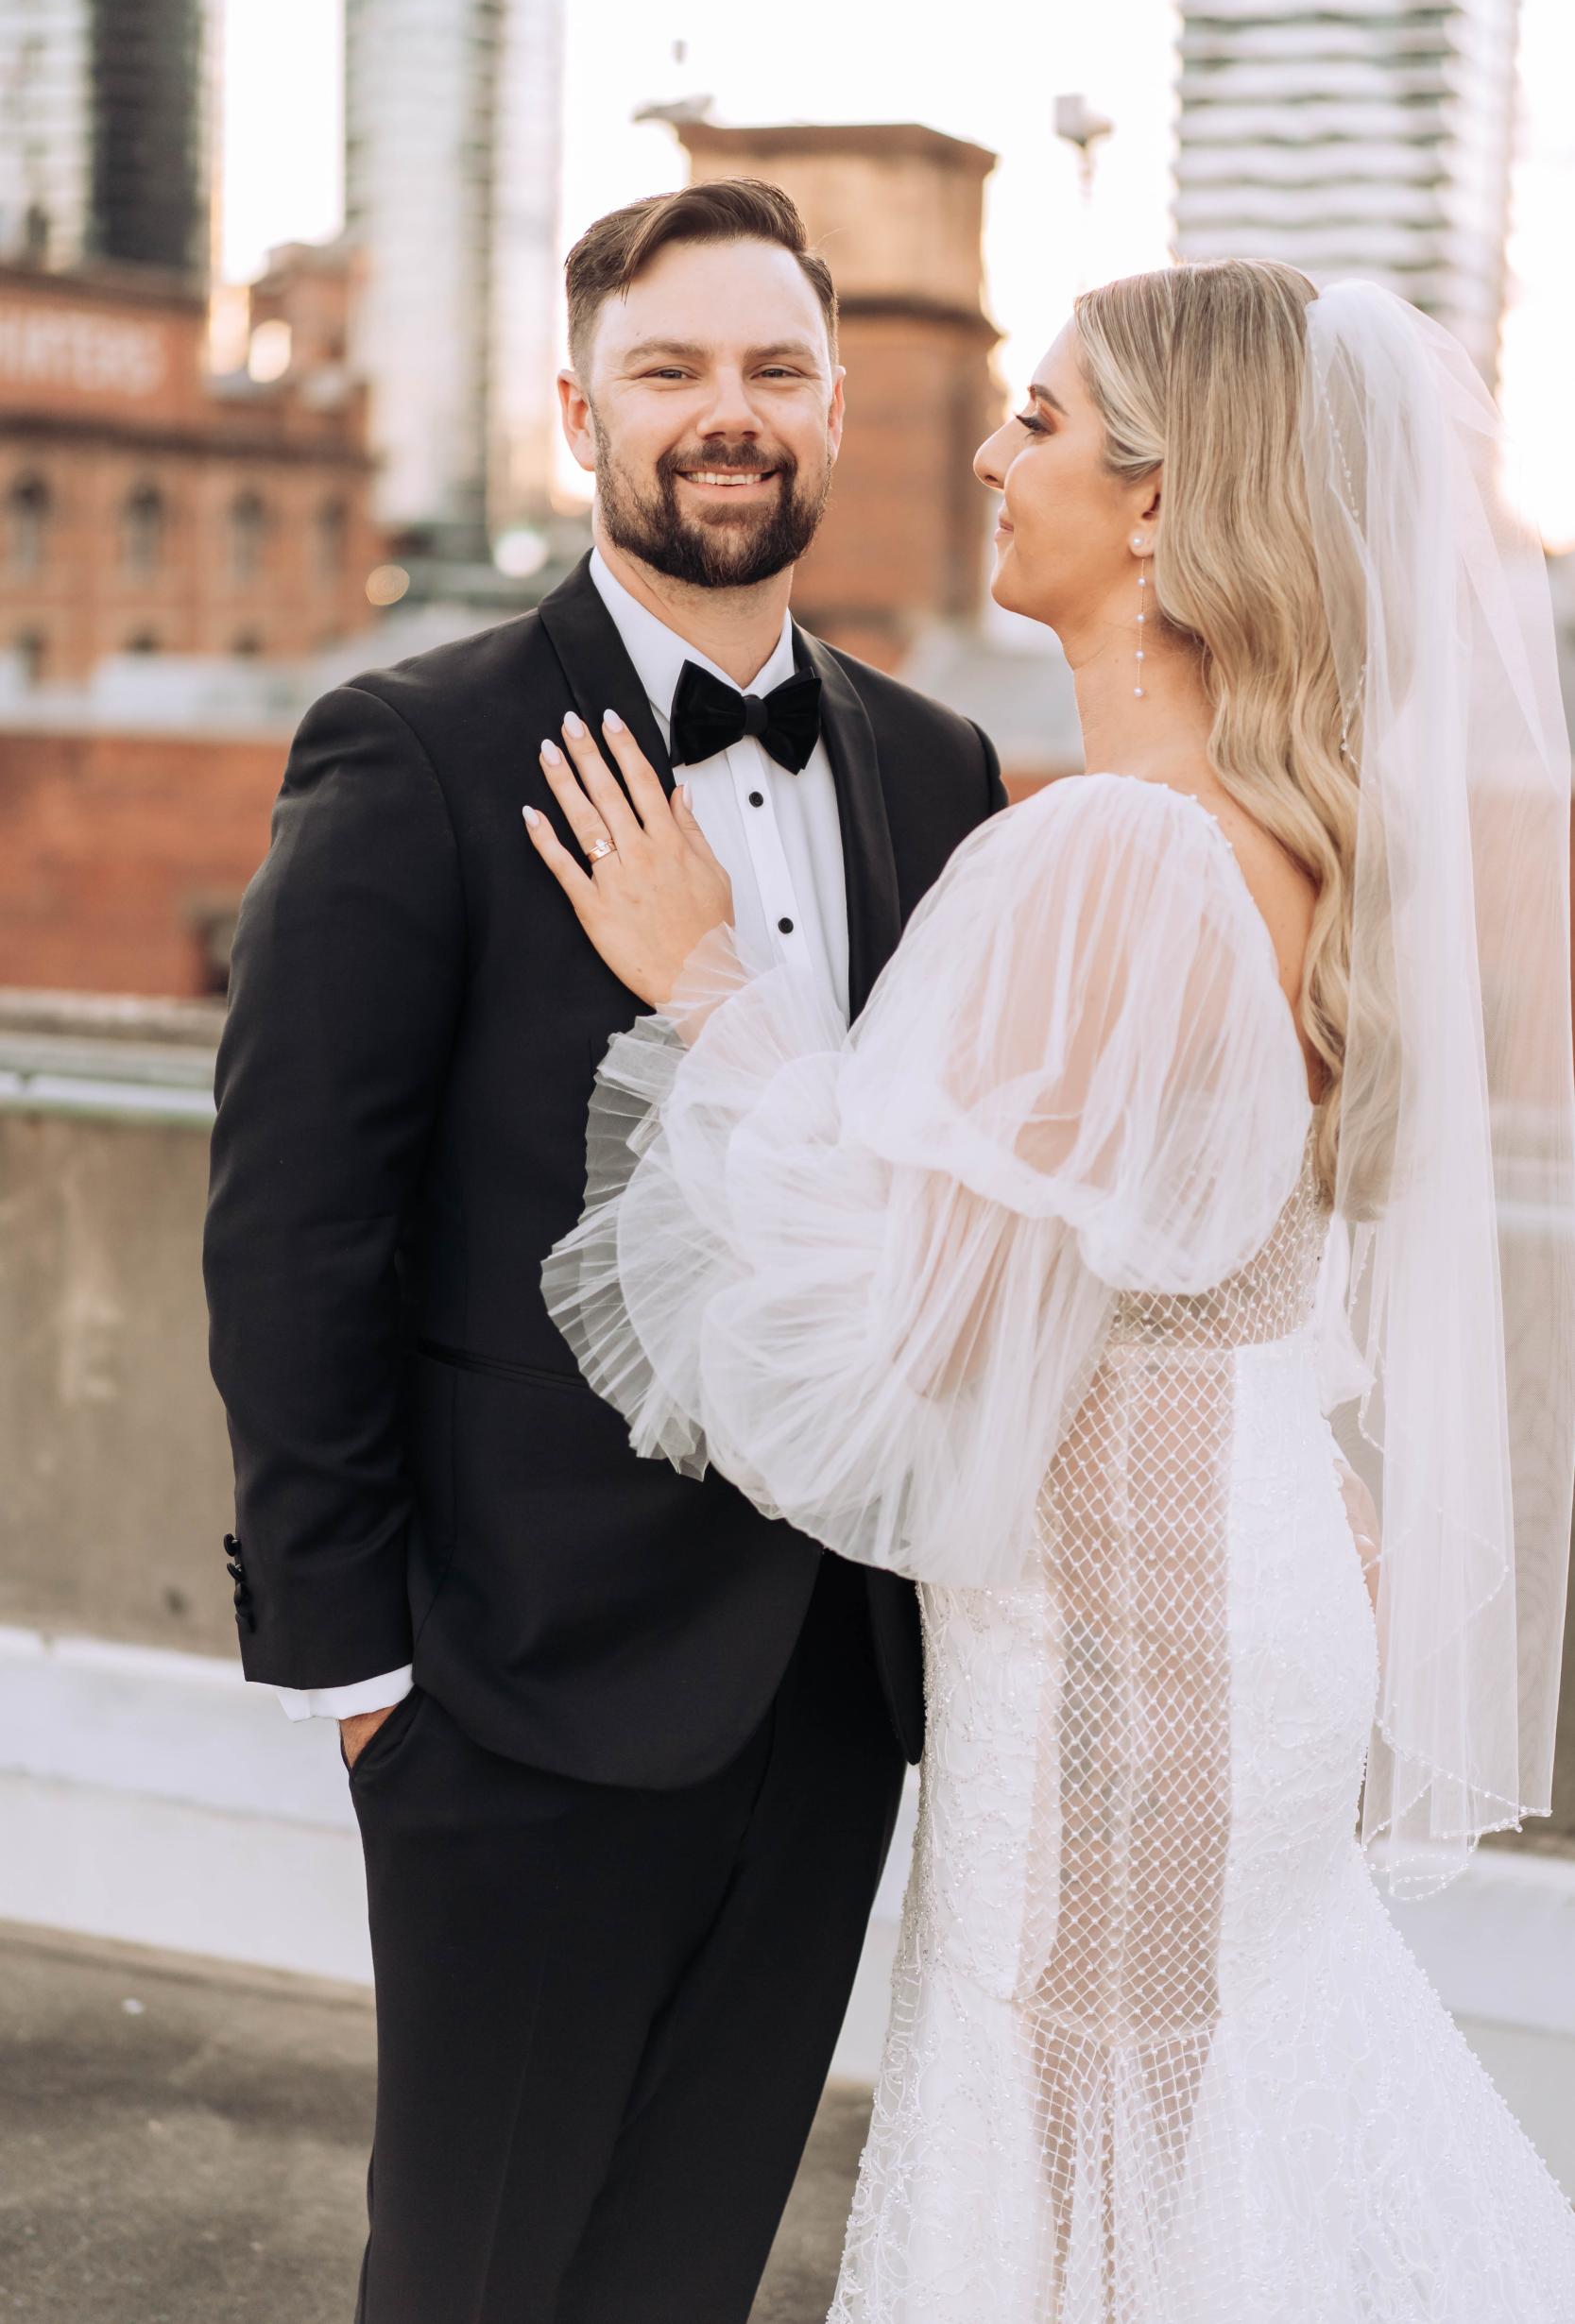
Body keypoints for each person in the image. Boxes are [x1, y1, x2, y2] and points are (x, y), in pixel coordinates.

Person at [536, 259, 1575, 2319]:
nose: (993, 457)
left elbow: (897, 1333)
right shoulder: (1297, 834)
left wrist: (709, 985)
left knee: (1100, 2185)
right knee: (1216, 2128)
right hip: (1250, 1600)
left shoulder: (1114, 851)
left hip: (1124, 1664)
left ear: (1169, 505)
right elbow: (1237, 1266)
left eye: (1043, 418)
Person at [201, 178, 1004, 2323]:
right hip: (511, 1691)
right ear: (580, 413)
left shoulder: (943, 775)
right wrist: (360, 1671)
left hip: (834, 1685)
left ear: (833, 409)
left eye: (771, 371)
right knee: (467, 2279)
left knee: (685, 2271)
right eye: (670, 372)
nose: (725, 416)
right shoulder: (420, 747)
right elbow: (293, 1229)